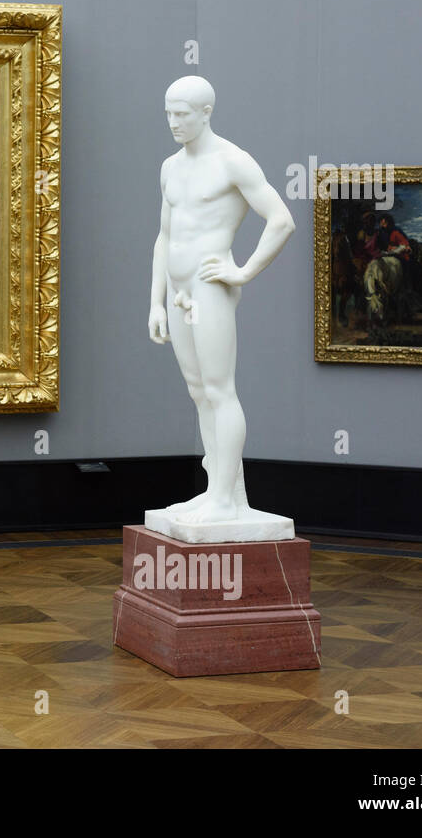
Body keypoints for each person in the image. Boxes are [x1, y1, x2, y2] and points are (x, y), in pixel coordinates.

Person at [147, 76, 295, 527]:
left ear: (206, 111)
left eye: (183, 114)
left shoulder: (233, 161)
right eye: (169, 112)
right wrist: (155, 301)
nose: (173, 122)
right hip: (177, 291)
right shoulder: (170, 167)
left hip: (210, 286)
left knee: (219, 390)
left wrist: (243, 271)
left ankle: (226, 502)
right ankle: (224, 491)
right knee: (198, 392)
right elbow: (165, 236)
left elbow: (282, 220)